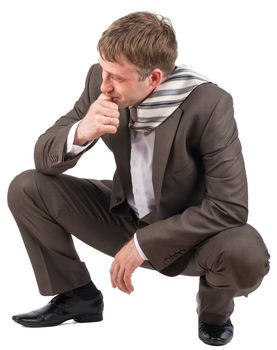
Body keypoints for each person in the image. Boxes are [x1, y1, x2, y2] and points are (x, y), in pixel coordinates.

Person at [8, 11, 270, 346]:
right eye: (103, 70)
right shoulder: (101, 82)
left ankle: (214, 314)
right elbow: (43, 157)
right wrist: (80, 132)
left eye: (116, 77)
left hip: (190, 234)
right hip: (125, 213)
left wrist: (143, 245)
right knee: (28, 188)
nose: (104, 85)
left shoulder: (209, 105)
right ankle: (78, 296)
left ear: (154, 78)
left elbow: (230, 207)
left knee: (246, 253)